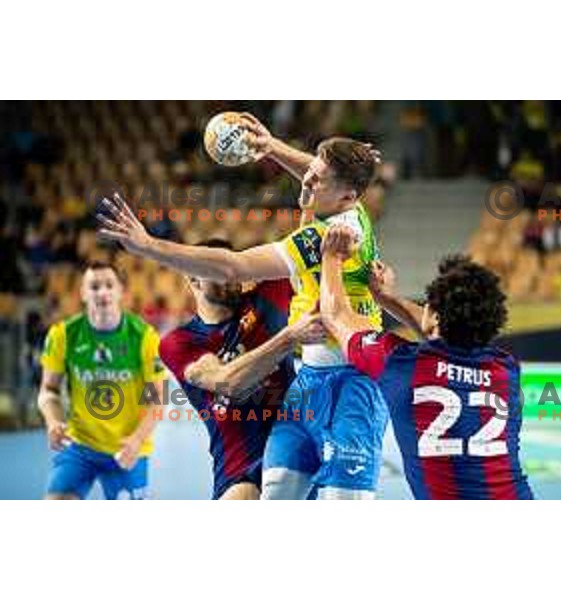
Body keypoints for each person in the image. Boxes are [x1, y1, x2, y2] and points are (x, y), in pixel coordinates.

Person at [97, 116, 387, 499]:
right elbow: (321, 177)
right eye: (311, 171)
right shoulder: (345, 210)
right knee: (277, 491)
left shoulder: (326, 239)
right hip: (304, 388)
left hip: (351, 378)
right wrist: (271, 146)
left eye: (319, 178)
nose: (308, 180)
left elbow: (233, 265)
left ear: (348, 196)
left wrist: (149, 247)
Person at [320, 226, 534, 499]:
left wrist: (331, 256)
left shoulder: (399, 364)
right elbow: (448, 330)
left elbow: (335, 314)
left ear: (433, 315)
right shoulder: (506, 371)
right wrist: (387, 299)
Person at [159, 239, 325, 500]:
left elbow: (305, 256)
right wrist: (288, 338)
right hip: (240, 469)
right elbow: (228, 382)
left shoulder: (268, 297)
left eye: (232, 267)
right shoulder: (180, 342)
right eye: (218, 271)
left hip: (295, 453)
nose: (231, 276)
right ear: (193, 279)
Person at [38, 261, 166, 499]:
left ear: (121, 292)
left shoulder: (145, 338)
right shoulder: (63, 335)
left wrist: (137, 440)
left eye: (109, 285)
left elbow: (157, 401)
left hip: (128, 449)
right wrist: (53, 421)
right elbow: (48, 390)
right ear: (83, 294)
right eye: (94, 286)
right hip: (80, 445)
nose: (102, 292)